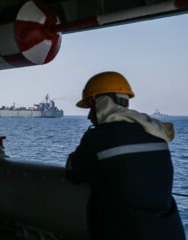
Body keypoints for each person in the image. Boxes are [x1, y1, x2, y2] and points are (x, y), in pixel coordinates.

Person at [65, 72, 185, 240]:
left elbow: (74, 174)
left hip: (129, 232)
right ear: (126, 101)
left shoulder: (98, 137)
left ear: (97, 104)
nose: (89, 115)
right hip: (170, 231)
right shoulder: (155, 131)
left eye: (90, 107)